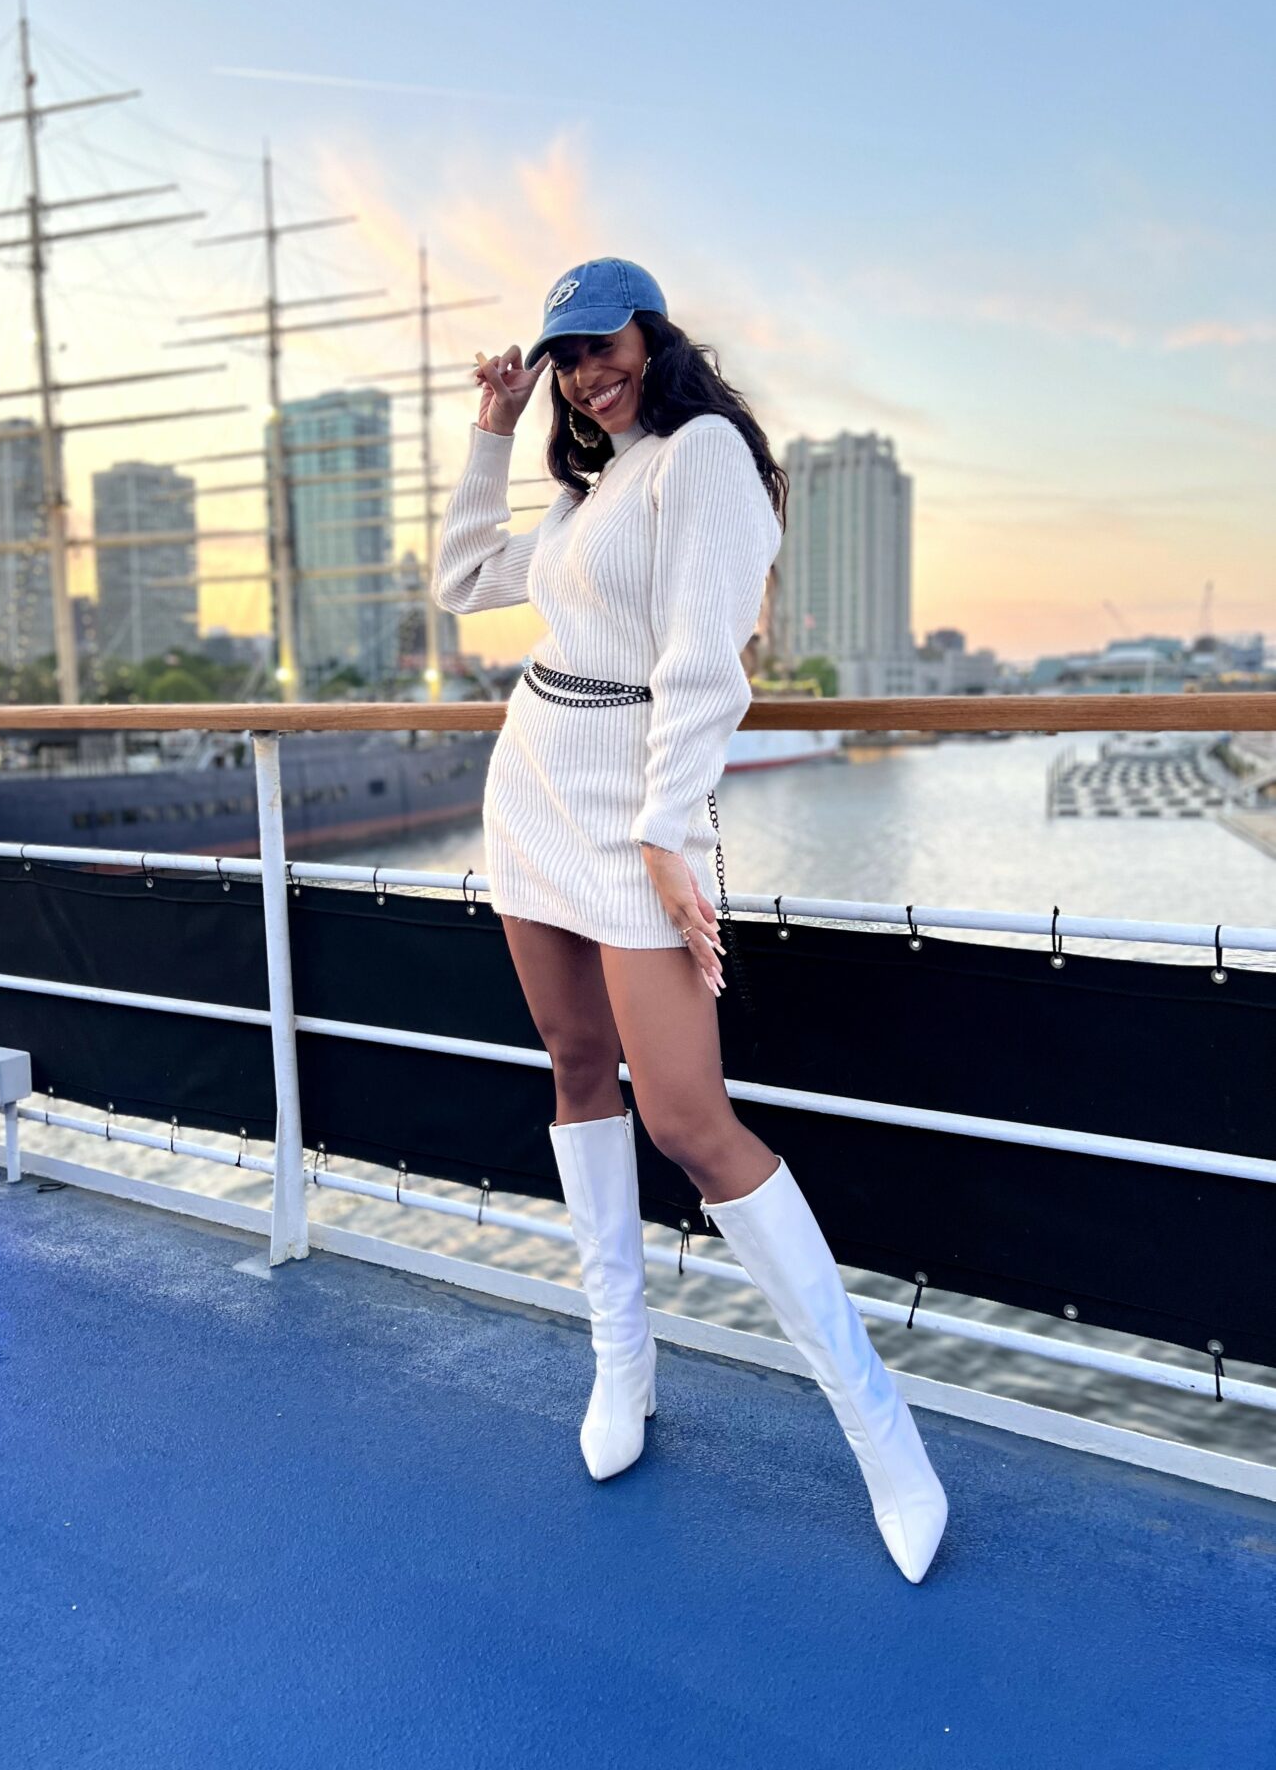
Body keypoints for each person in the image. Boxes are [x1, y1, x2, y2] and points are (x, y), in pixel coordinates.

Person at [432, 257, 947, 1583]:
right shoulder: (589, 490)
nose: (585, 374)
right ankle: (623, 1358)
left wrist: (667, 833)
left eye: (602, 345)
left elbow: (706, 664)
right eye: (564, 359)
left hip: (634, 808)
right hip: (533, 786)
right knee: (574, 1064)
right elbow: (462, 580)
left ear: (652, 336)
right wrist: (492, 432)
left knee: (688, 1121)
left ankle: (881, 1429)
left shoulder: (701, 455)